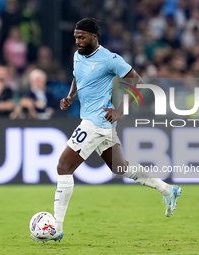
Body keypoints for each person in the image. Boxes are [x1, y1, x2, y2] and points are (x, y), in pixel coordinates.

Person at [40, 18, 182, 242]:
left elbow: (137, 81)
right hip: (99, 123)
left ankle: (56, 227)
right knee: (120, 166)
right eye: (76, 37)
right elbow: (78, 77)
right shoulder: (78, 55)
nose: (77, 41)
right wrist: (70, 96)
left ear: (94, 37)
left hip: (96, 122)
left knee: (63, 166)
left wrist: (119, 110)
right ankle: (167, 189)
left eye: (82, 37)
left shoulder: (109, 59)